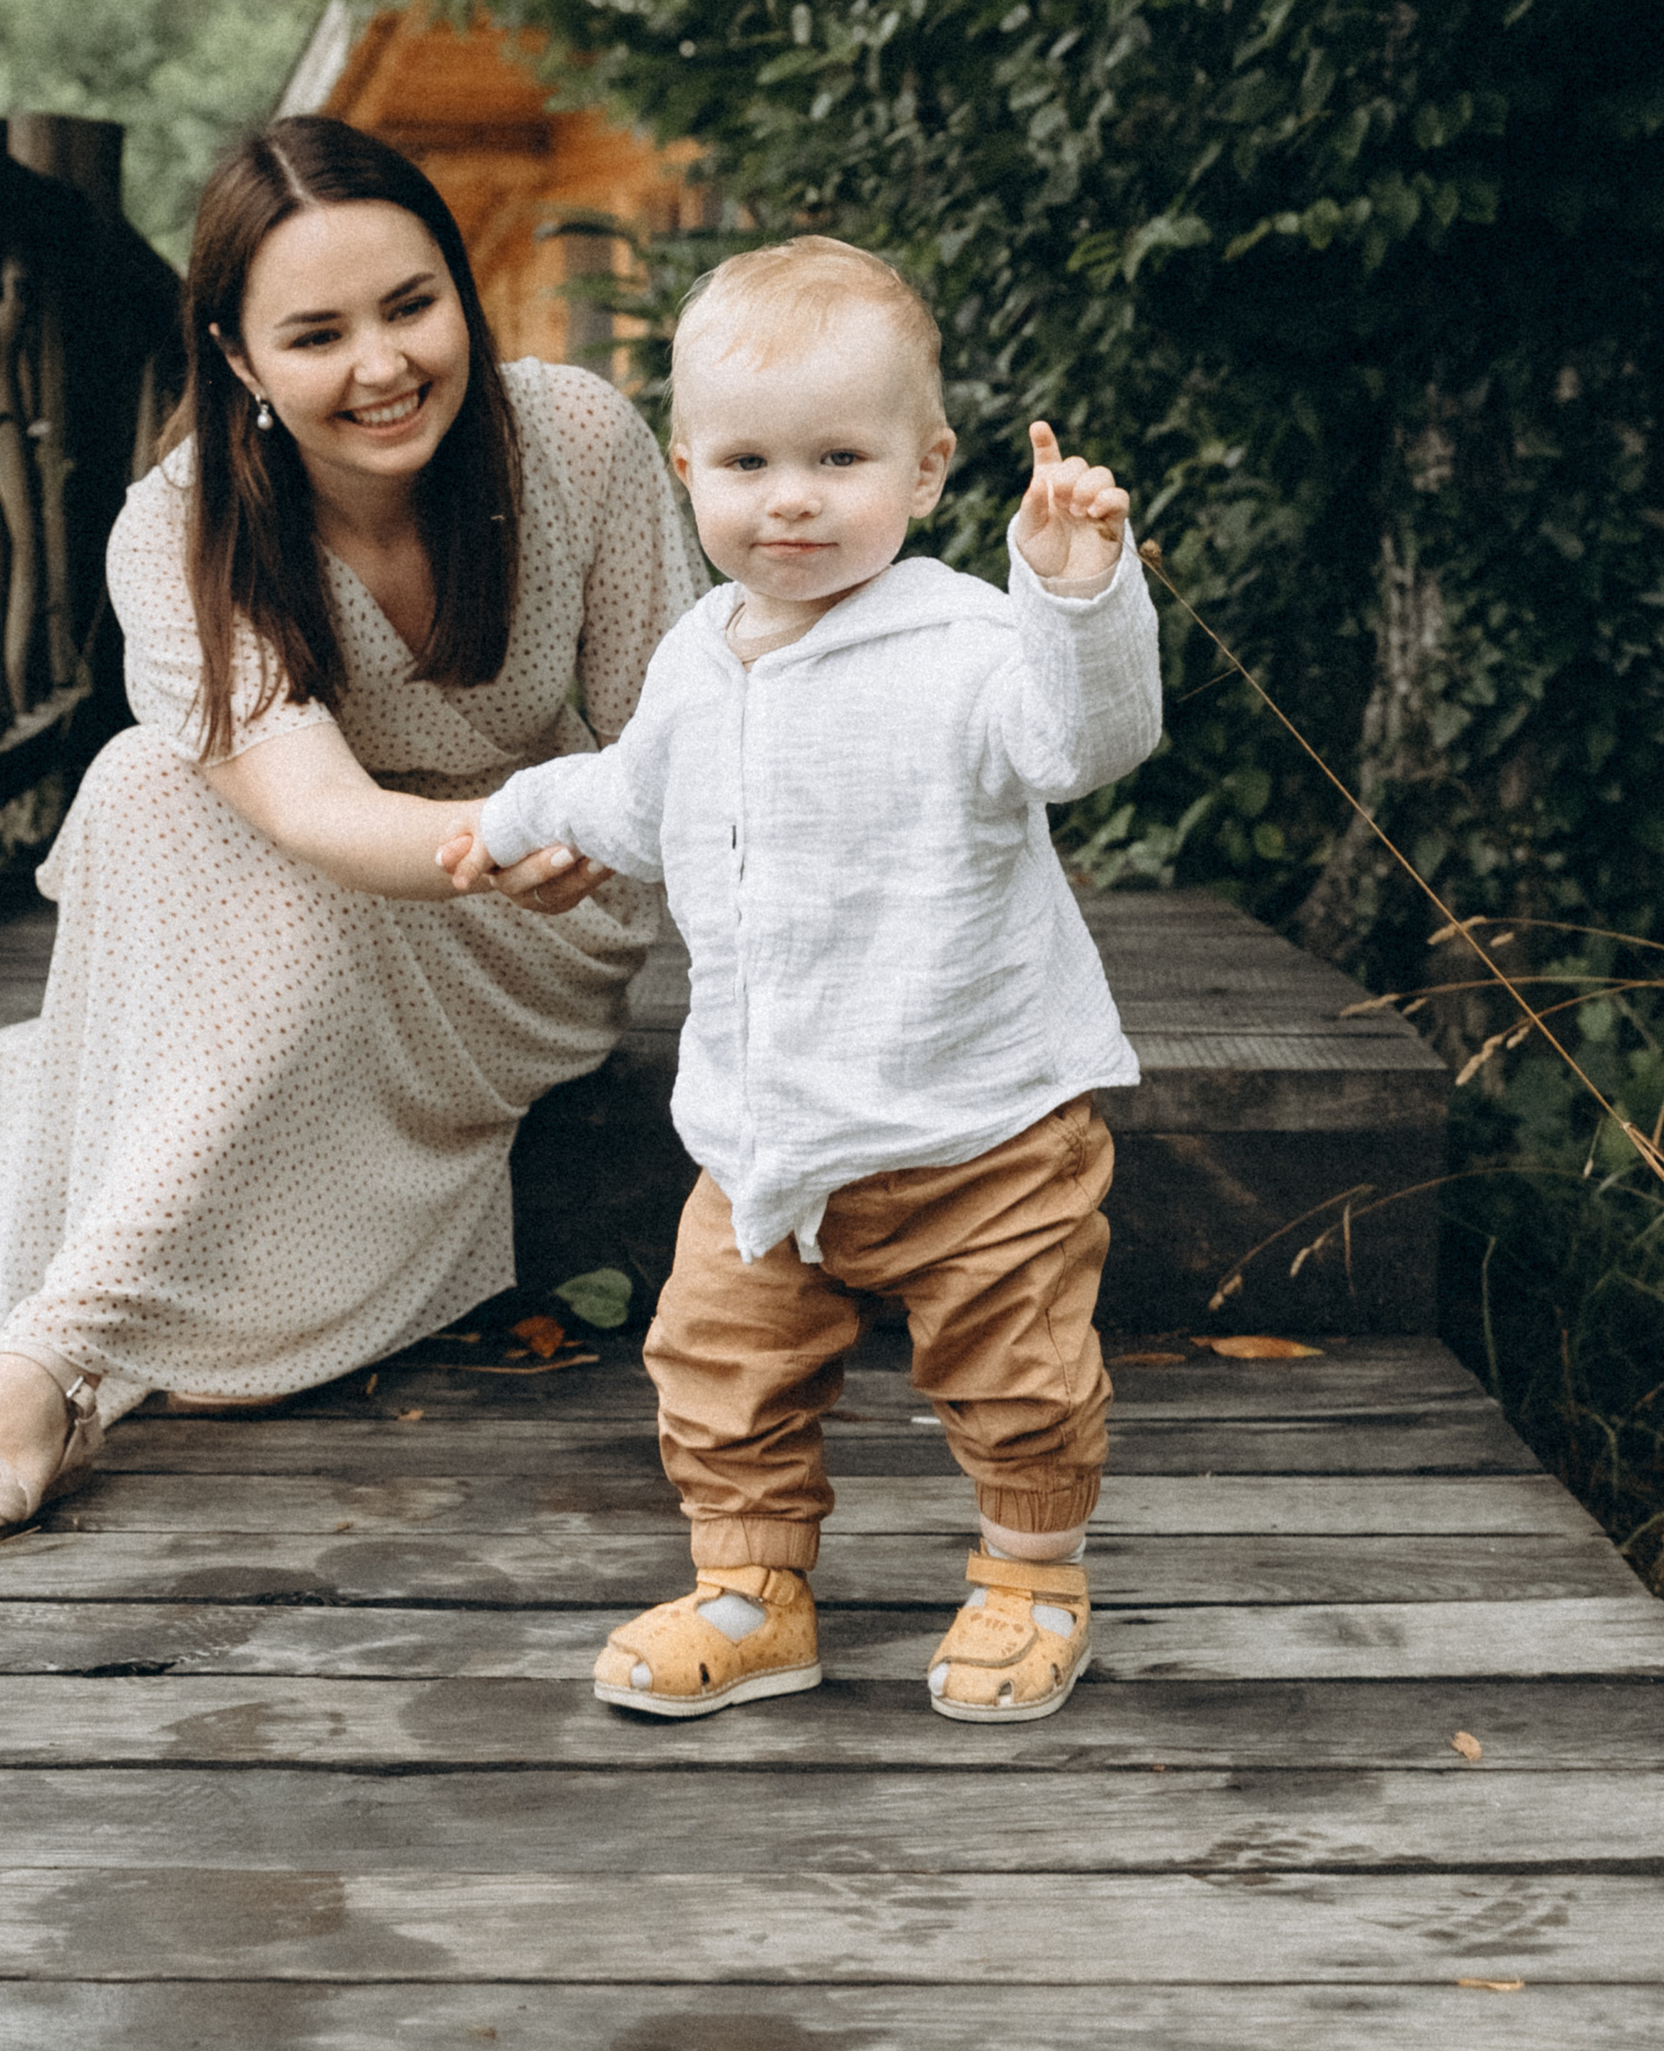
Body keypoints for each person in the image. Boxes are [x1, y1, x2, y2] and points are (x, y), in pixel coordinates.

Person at [0, 116, 700, 1554]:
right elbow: (314, 812)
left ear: (460, 296)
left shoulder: (575, 442)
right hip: (363, 873)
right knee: (142, 789)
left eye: (414, 306)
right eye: (317, 334)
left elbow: (670, 738)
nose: (383, 367)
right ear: (238, 360)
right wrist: (487, 829)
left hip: (546, 917)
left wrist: (579, 834)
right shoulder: (177, 535)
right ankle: (59, 1362)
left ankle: (41, 1376)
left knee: (221, 853)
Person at [449, 234, 1161, 1722]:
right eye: (750, 461)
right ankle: (751, 1592)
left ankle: (1031, 1578)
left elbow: (1077, 746)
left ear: (927, 468)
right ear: (687, 466)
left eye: (841, 456)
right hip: (768, 1132)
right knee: (718, 1363)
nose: (792, 499)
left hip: (982, 1120)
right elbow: (639, 798)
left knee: (1019, 1372)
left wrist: (1076, 595)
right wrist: (515, 817)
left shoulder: (968, 644)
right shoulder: (700, 656)